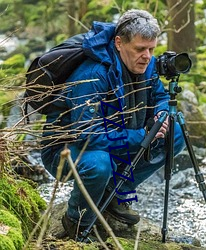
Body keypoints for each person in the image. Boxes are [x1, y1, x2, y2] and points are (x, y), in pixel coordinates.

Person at [41, 9, 185, 241]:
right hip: (67, 149)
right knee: (99, 165)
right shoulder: (92, 74)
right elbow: (87, 135)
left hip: (117, 136)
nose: (147, 56)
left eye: (151, 49)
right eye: (140, 49)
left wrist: (161, 114)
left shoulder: (145, 64)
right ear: (119, 43)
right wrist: (142, 135)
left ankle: (114, 194)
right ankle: (77, 221)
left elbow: (159, 96)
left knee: (175, 132)